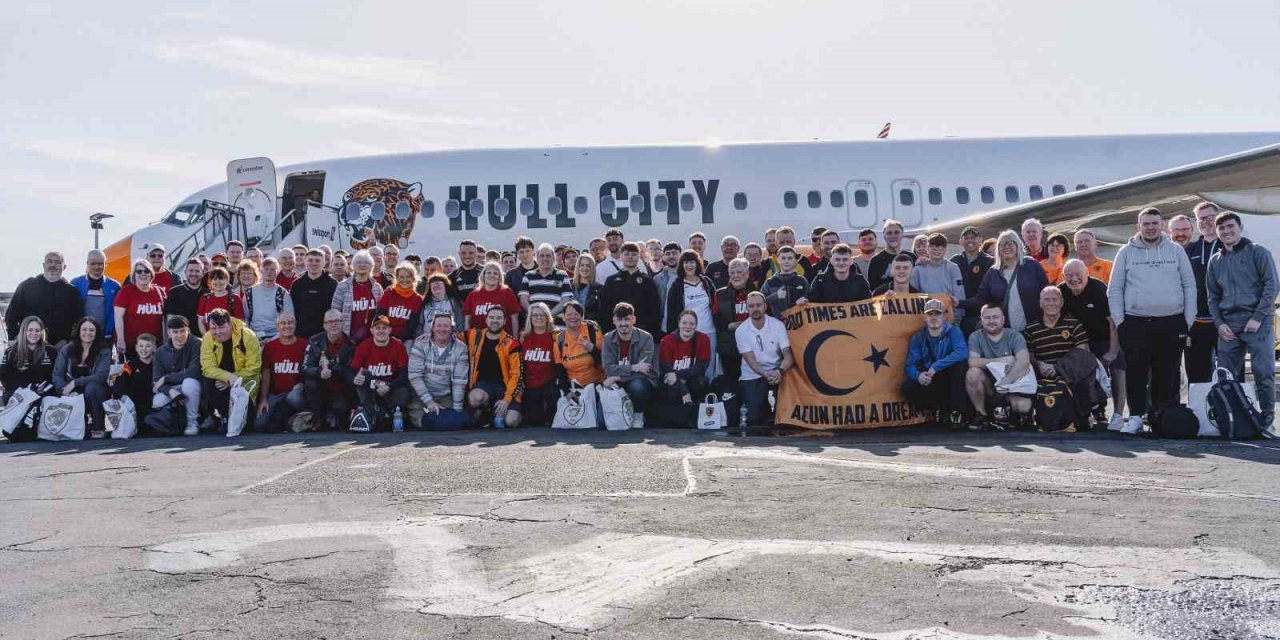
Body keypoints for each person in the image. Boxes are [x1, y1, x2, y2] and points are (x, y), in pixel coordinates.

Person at [1108, 207, 1197, 434]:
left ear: (1162, 225)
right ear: (1139, 227)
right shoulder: (1126, 252)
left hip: (1171, 322)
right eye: (1145, 223)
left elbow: (1189, 285)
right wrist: (1120, 321)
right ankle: (1136, 416)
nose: (1150, 227)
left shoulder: (1176, 251)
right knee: (1136, 371)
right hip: (1135, 322)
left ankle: (1161, 417)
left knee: (1167, 372)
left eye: (1154, 223)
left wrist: (1187, 319)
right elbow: (1115, 288)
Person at [1207, 211, 1278, 432]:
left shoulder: (1258, 252)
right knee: (1225, 375)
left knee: (1262, 372)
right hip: (1229, 324)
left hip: (1259, 323)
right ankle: (1233, 418)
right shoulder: (1215, 261)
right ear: (1217, 233)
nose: (1227, 231)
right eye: (1222, 229)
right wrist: (1219, 324)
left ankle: (1266, 419)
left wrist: (1257, 317)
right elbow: (1213, 296)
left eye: (1230, 227)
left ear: (1239, 227)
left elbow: (1272, 286)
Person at [1059, 260, 1128, 431]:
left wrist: (1112, 352)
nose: (1074, 279)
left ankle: (1118, 415)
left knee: (1118, 365)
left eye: (1078, 275)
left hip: (1104, 338)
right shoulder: (1060, 292)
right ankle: (1087, 411)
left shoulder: (1100, 290)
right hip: (1076, 342)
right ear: (1063, 276)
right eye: (1069, 275)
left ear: (1087, 274)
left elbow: (1113, 322)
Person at [1024, 287, 1093, 430]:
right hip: (1041, 373)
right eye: (1047, 300)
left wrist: (1058, 368)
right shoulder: (1031, 328)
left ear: (1062, 302)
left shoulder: (1073, 324)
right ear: (1040, 303)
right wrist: (1039, 365)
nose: (1051, 303)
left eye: (1055, 299)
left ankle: (1083, 417)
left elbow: (1083, 351)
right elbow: (1028, 356)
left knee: (1087, 368)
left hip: (1070, 374)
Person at [965, 305, 1034, 431]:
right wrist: (1000, 360)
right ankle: (981, 415)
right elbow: (972, 362)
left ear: (1003, 319)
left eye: (995, 317)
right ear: (981, 320)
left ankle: (1012, 415)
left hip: (1012, 386)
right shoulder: (975, 336)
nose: (991, 321)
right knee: (972, 373)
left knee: (1024, 407)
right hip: (989, 387)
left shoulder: (1015, 335)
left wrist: (1006, 381)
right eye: (987, 317)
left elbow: (1024, 361)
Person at [903, 299, 969, 426]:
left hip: (951, 378)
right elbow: (909, 365)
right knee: (908, 387)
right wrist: (918, 376)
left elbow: (962, 353)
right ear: (924, 317)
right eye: (930, 314)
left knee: (960, 366)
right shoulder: (918, 337)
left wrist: (936, 366)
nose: (933, 317)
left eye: (937, 314)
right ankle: (938, 409)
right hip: (932, 379)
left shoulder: (954, 331)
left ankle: (957, 412)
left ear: (944, 316)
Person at [965, 231, 1048, 332]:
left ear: (1017, 245)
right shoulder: (993, 272)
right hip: (1008, 332)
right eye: (1002, 244)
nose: (1006, 246)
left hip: (1036, 328)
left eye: (1010, 243)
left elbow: (1046, 292)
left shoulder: (1032, 265)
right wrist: (958, 303)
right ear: (998, 249)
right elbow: (980, 299)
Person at [198, 309, 262, 434]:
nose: (217, 332)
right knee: (208, 380)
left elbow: (255, 367)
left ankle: (239, 417)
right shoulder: (207, 337)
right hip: (223, 381)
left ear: (230, 324)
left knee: (251, 426)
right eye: (213, 328)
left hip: (246, 384)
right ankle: (224, 416)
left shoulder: (248, 336)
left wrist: (235, 379)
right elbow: (207, 367)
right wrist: (228, 377)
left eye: (221, 327)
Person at [735, 292, 793, 427]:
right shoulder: (741, 330)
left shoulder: (778, 325)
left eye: (758, 305)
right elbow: (751, 360)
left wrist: (779, 371)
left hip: (778, 370)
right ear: (747, 308)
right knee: (754, 419)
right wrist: (766, 374)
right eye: (751, 306)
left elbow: (788, 356)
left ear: (765, 306)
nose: (755, 309)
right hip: (753, 373)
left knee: (785, 419)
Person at [407, 312, 473, 430]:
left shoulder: (461, 348)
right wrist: (429, 402)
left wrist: (456, 412)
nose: (442, 329)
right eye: (439, 325)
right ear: (432, 327)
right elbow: (414, 376)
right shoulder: (420, 344)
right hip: (421, 397)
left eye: (446, 326)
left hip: (445, 397)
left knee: (454, 421)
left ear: (452, 328)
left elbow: (459, 382)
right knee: (426, 422)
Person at [5, 251, 82, 347]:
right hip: (28, 345)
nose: (53, 265)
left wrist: (67, 341)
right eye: (49, 261)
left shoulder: (72, 292)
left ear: (64, 267)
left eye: (57, 262)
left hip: (59, 348)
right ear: (43, 265)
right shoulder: (27, 286)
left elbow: (78, 321)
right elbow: (11, 316)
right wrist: (15, 338)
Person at [1185, 201, 1225, 384]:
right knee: (1197, 374)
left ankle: (1234, 410)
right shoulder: (1188, 250)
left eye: (1211, 217)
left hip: (1226, 322)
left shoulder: (1230, 246)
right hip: (1197, 322)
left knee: (1230, 372)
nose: (1206, 221)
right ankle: (1199, 411)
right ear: (1196, 221)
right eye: (1202, 218)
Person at [53, 317, 113, 437]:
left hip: (95, 392)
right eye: (84, 329)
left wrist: (76, 382)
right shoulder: (66, 349)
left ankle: (98, 427)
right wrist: (64, 390)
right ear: (79, 331)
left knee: (92, 387)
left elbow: (101, 376)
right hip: (71, 392)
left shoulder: (104, 351)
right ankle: (80, 426)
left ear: (96, 333)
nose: (88, 333)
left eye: (92, 330)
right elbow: (57, 374)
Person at [465, 307, 524, 427]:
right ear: (486, 320)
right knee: (475, 398)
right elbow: (450, 336)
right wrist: (429, 335)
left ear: (504, 321)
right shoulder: (474, 335)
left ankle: (501, 413)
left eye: (499, 318)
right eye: (492, 317)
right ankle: (487, 410)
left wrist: (506, 400)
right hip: (484, 386)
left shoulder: (512, 343)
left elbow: (517, 375)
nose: (495, 321)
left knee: (511, 421)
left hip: (506, 388)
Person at [349, 315, 411, 430]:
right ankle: (368, 414)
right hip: (370, 389)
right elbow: (353, 370)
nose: (381, 331)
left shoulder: (398, 347)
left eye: (384, 328)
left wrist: (389, 386)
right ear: (372, 330)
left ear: (390, 330)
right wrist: (355, 377)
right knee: (362, 376)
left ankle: (391, 416)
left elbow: (404, 375)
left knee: (403, 393)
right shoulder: (363, 346)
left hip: (390, 387)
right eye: (377, 328)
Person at [656, 309, 713, 426]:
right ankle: (675, 420)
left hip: (690, 378)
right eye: (684, 323)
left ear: (696, 325)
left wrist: (677, 374)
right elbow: (666, 370)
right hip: (672, 381)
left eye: (692, 324)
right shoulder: (667, 341)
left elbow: (701, 368)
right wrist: (684, 391)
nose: (688, 326)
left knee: (700, 383)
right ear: (679, 323)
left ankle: (698, 418)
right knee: (669, 387)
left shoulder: (703, 339)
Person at [301, 310, 355, 431]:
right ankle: (317, 420)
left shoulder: (351, 345)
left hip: (340, 390)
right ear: (324, 325)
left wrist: (331, 368)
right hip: (319, 388)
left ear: (343, 324)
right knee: (310, 383)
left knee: (340, 410)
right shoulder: (314, 341)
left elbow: (351, 373)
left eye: (337, 321)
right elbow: (305, 368)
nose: (333, 324)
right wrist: (319, 372)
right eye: (329, 322)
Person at [254, 313, 309, 433]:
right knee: (259, 425)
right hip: (276, 394)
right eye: (283, 323)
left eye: (290, 323)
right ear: (277, 327)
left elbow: (309, 369)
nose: (287, 326)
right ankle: (291, 420)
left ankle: (303, 416)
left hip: (296, 392)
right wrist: (263, 399)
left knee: (293, 398)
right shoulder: (269, 347)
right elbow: (266, 374)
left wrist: (302, 384)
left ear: (295, 325)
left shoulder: (304, 344)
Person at [602, 302, 658, 417]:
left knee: (638, 386)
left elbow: (645, 371)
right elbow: (608, 369)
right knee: (603, 423)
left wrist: (617, 377)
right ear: (614, 321)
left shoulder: (646, 337)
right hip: (618, 381)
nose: (623, 324)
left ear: (634, 319)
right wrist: (634, 367)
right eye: (619, 320)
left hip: (639, 380)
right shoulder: (607, 338)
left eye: (627, 319)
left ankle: (638, 414)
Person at [151, 316, 203, 436]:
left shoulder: (197, 344)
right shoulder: (160, 352)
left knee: (189, 384)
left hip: (195, 387)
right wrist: (170, 391)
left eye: (182, 331)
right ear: (169, 333)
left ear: (188, 330)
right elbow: (156, 381)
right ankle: (174, 424)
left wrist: (166, 378)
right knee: (158, 401)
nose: (179, 335)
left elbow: (194, 372)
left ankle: (192, 422)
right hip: (172, 389)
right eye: (175, 332)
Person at [665, 249, 718, 357]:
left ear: (697, 264)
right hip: (688, 333)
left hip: (709, 331)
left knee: (709, 367)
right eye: (686, 262)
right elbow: (672, 313)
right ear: (682, 265)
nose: (689, 265)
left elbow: (716, 305)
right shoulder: (677, 286)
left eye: (692, 262)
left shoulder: (706, 282)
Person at [602, 242, 662, 335]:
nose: (630, 257)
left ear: (639, 256)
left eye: (634, 254)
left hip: (642, 331)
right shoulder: (611, 281)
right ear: (621, 256)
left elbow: (654, 310)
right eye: (627, 254)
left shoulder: (647, 281)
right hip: (617, 331)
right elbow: (605, 309)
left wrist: (652, 332)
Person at [114, 260, 167, 359]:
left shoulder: (159, 292)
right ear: (134, 275)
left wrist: (165, 341)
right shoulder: (125, 292)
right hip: (132, 347)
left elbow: (164, 319)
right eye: (139, 271)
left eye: (146, 271)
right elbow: (118, 317)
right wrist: (120, 340)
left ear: (151, 274)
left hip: (155, 347)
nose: (143, 274)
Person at [518, 303, 560, 426]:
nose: (538, 318)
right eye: (535, 315)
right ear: (530, 318)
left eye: (542, 315)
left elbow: (559, 363)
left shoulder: (555, 336)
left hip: (549, 383)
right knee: (535, 420)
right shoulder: (523, 337)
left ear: (548, 317)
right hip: (529, 384)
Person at [332, 250, 384, 345]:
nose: (362, 265)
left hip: (372, 339)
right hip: (348, 339)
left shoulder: (377, 288)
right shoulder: (342, 286)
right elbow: (335, 312)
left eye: (366, 262)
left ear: (371, 266)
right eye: (358, 262)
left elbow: (382, 313)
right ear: (353, 265)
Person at [1, 316, 56, 403]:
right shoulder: (11, 352)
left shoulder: (50, 351)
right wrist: (26, 391)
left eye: (37, 330)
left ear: (42, 332)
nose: (34, 333)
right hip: (18, 395)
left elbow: (55, 376)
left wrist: (41, 390)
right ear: (24, 331)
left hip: (44, 395)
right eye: (30, 330)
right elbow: (5, 377)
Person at [71, 250, 121, 345]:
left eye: (100, 264)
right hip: (82, 336)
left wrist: (109, 332)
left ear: (105, 264)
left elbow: (116, 313)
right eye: (93, 263)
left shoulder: (114, 286)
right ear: (87, 263)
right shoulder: (75, 283)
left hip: (105, 336)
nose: (96, 267)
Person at [553, 301, 605, 391]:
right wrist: (567, 392)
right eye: (569, 314)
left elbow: (605, 362)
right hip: (574, 388)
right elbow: (560, 371)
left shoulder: (592, 330)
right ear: (563, 317)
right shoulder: (559, 338)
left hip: (598, 385)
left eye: (576, 314)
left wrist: (591, 348)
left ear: (582, 316)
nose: (573, 317)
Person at [463, 261, 521, 335]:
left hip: (503, 340)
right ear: (483, 275)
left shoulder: (507, 292)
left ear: (499, 276)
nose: (492, 275)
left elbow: (514, 318)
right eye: (489, 273)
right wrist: (468, 339)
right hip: (478, 340)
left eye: (495, 273)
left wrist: (515, 339)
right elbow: (467, 320)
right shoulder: (473, 294)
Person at [291, 249, 338, 340]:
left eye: (317, 260)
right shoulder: (297, 284)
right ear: (305, 262)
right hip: (302, 334)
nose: (314, 263)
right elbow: (294, 310)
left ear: (324, 262)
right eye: (310, 260)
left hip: (326, 334)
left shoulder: (332, 284)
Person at [244, 257, 295, 342]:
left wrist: (273, 339)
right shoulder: (249, 293)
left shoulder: (283, 294)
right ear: (261, 271)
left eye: (272, 269)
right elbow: (245, 317)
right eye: (266, 269)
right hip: (254, 336)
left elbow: (290, 319)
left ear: (277, 271)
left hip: (277, 336)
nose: (269, 272)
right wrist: (251, 336)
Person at [111, 333, 157, 420]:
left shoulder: (159, 365)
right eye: (141, 346)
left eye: (148, 346)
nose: (144, 349)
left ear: (154, 348)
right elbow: (119, 384)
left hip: (154, 402)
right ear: (136, 348)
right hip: (135, 405)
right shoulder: (130, 365)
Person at [520, 243, 573, 317]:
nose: (545, 258)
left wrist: (548, 315)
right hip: (534, 323)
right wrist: (536, 316)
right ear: (537, 258)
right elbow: (523, 300)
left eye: (548, 256)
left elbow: (566, 300)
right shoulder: (528, 276)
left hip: (556, 323)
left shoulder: (562, 275)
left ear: (553, 258)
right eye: (542, 256)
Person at [377, 262, 425, 340]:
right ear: (397, 278)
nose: (404, 280)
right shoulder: (388, 293)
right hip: (385, 336)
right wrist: (386, 336)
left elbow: (412, 325)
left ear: (413, 278)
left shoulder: (417, 299)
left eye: (408, 277)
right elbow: (380, 316)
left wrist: (400, 339)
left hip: (405, 339)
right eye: (401, 277)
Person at [866, 220, 916, 290]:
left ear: (902, 235)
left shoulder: (912, 257)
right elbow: (872, 289)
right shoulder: (876, 261)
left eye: (896, 232)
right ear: (884, 235)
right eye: (889, 233)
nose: (893, 236)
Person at [761, 246, 809, 318]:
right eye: (783, 258)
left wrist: (802, 302)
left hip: (799, 323)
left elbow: (810, 300)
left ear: (795, 260)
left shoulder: (802, 281)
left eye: (790, 258)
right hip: (777, 323)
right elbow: (761, 303)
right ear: (777, 260)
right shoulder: (770, 282)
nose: (786, 261)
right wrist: (776, 296)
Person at [165, 259, 206, 336]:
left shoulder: (208, 293)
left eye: (197, 271)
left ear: (203, 273)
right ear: (185, 272)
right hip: (180, 338)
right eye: (191, 270)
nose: (194, 273)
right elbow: (170, 319)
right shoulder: (174, 292)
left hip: (203, 339)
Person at [196, 267, 242, 335]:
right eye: (214, 279)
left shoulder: (234, 298)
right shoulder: (205, 298)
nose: (218, 282)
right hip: (210, 341)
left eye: (221, 278)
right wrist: (207, 337)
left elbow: (240, 322)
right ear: (210, 281)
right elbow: (201, 321)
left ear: (227, 280)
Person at [568, 254, 605, 328]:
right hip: (569, 329)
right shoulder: (568, 285)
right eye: (582, 265)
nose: (584, 268)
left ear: (592, 268)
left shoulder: (599, 289)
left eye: (588, 265)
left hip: (590, 330)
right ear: (578, 267)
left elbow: (602, 314)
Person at [652, 242, 682, 330]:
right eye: (668, 254)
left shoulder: (687, 277)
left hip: (685, 326)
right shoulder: (657, 279)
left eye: (674, 253)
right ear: (663, 257)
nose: (671, 256)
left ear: (681, 255)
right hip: (665, 327)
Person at [448, 240, 483, 304]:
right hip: (462, 313)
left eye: (471, 253)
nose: (467, 256)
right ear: (459, 254)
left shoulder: (485, 272)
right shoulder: (452, 277)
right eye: (464, 253)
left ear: (476, 253)